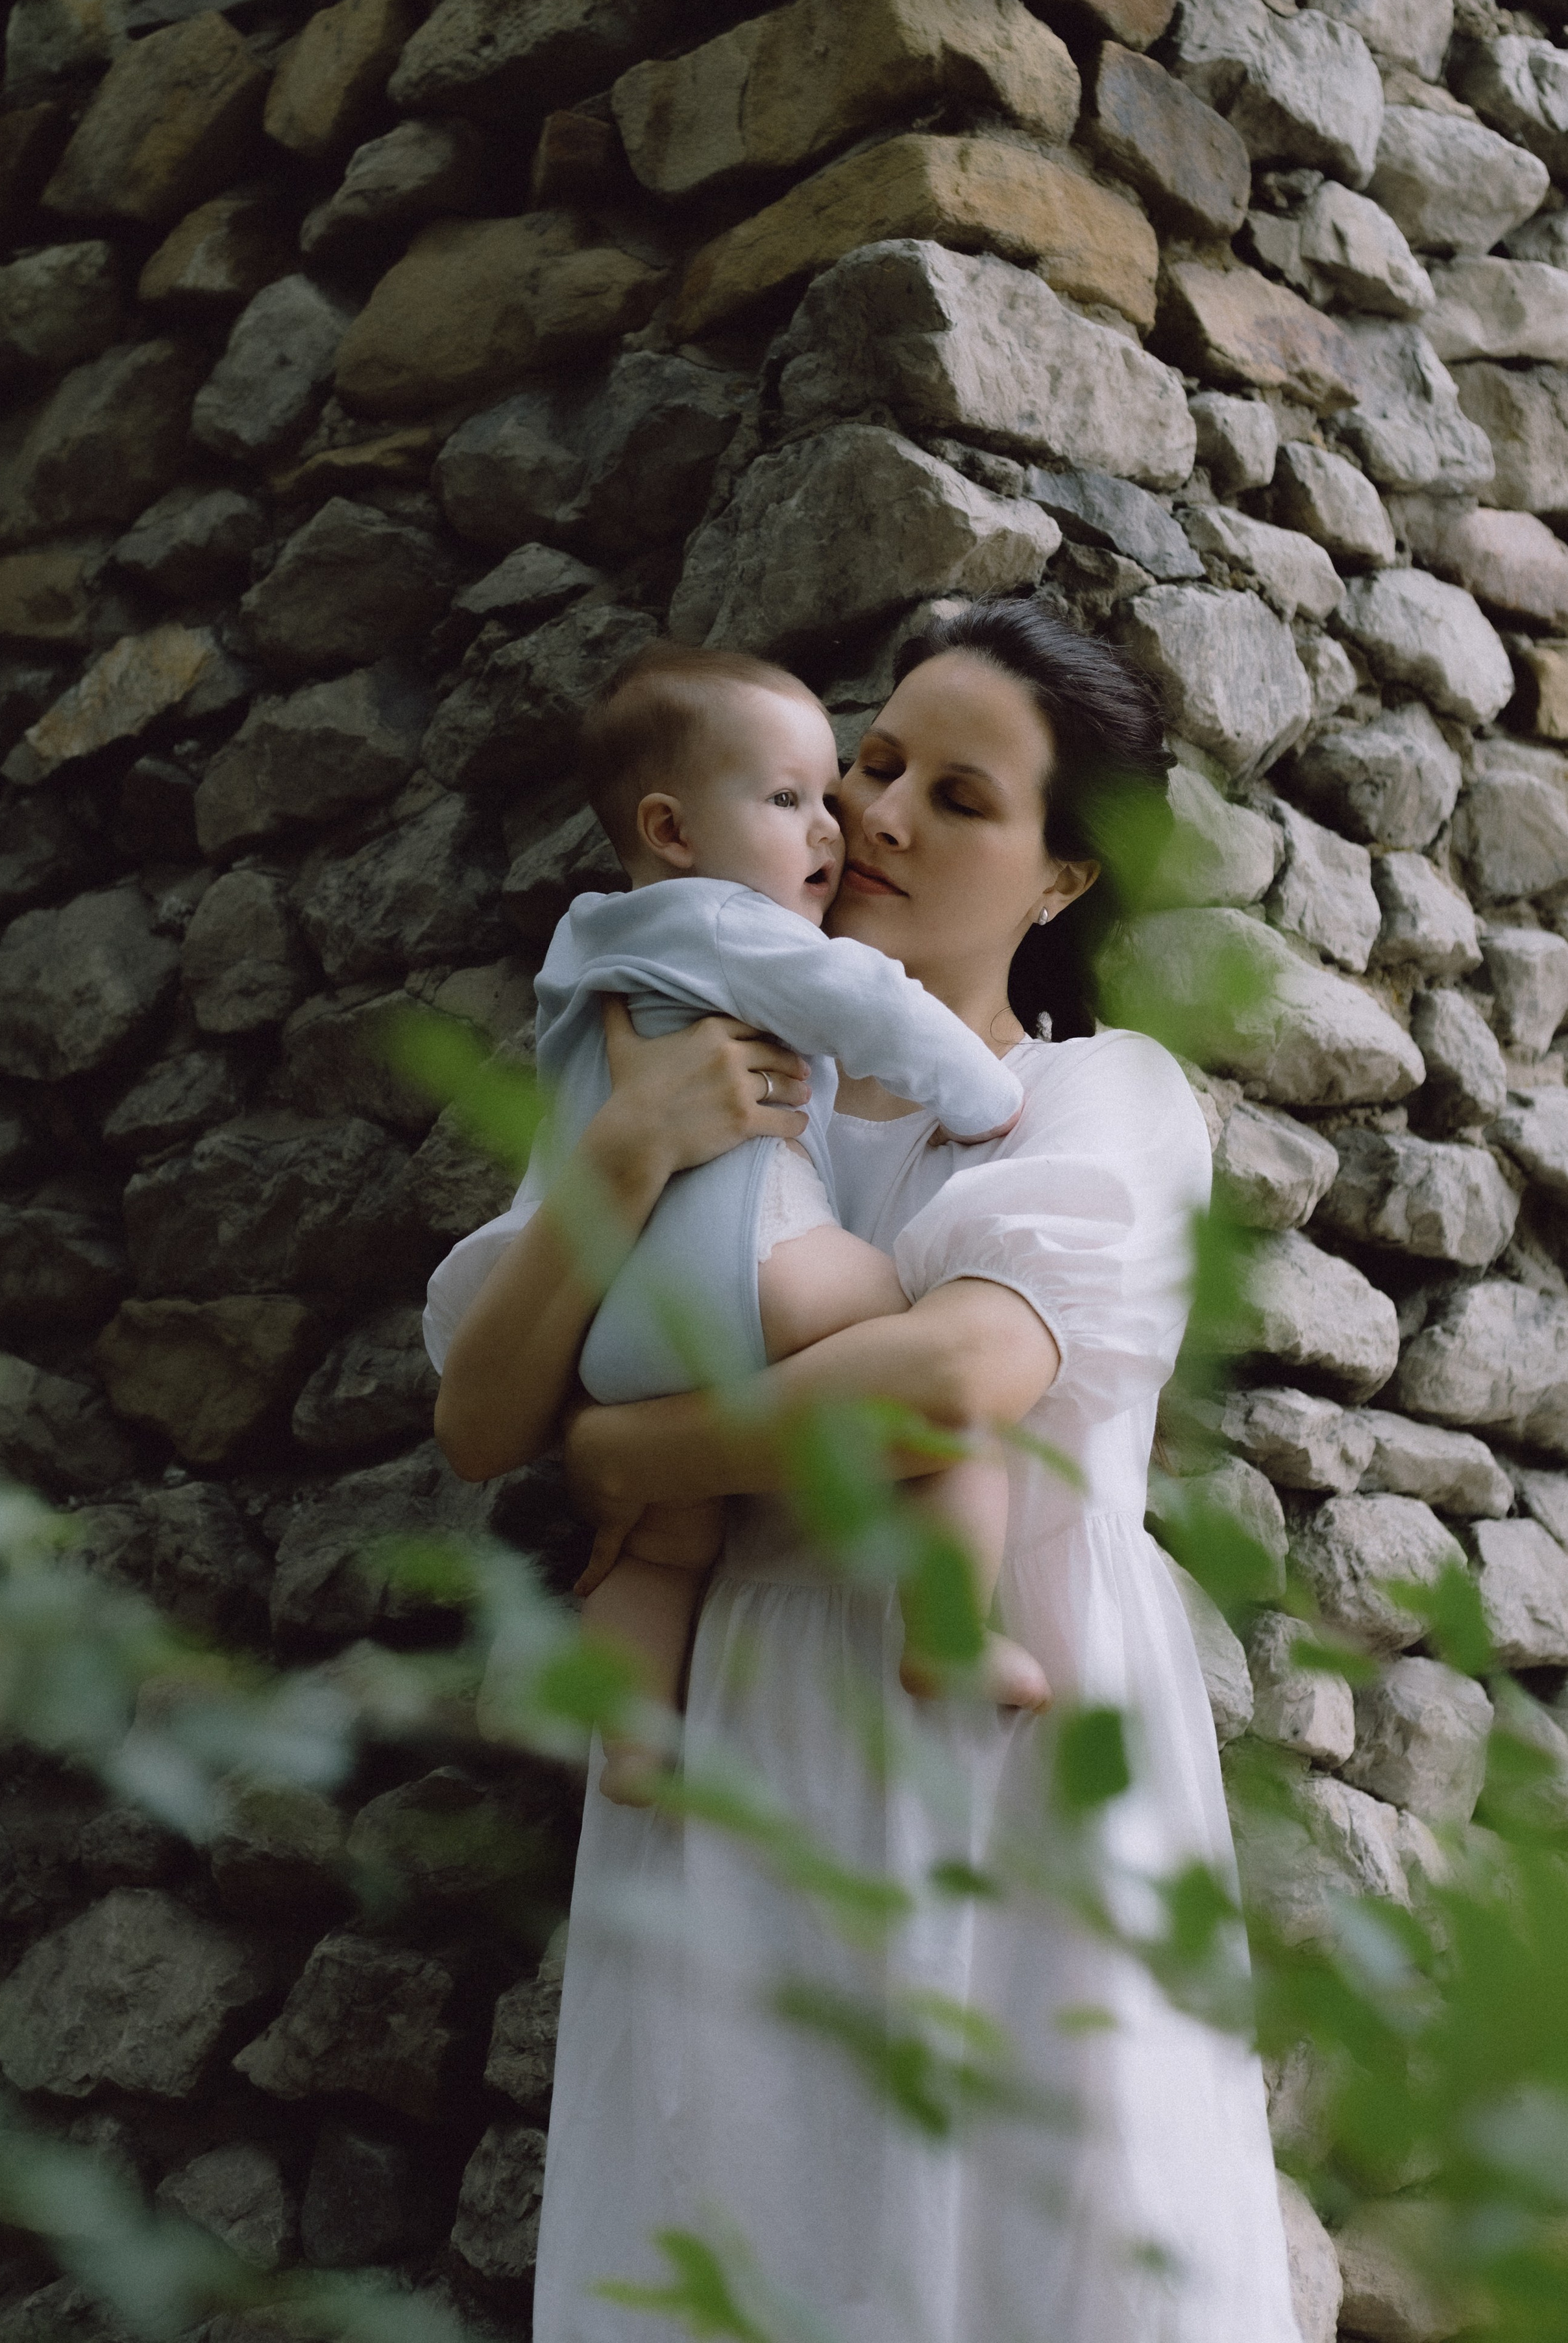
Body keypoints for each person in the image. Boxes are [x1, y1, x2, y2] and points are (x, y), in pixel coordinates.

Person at [425, 597, 1300, 2343]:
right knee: (743, 2230)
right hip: (738, 1736)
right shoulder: (700, 1070)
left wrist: (626, 1448)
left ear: (1060, 882)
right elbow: (474, 1419)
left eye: (957, 800)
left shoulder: (1097, 1097)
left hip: (1001, 1762)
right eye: (874, 763)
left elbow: (954, 1377)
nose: (876, 816)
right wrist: (629, 1149)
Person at [543, 639, 1049, 1801]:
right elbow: (866, 1006)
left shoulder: (592, 948)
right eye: (793, 800)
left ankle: (631, 1744)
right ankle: (947, 1631)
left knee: (670, 1538)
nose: (837, 828)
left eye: (829, 797)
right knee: (931, 1374)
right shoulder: (728, 925)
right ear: (674, 833)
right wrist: (984, 1096)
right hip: (758, 1267)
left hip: (622, 1330)